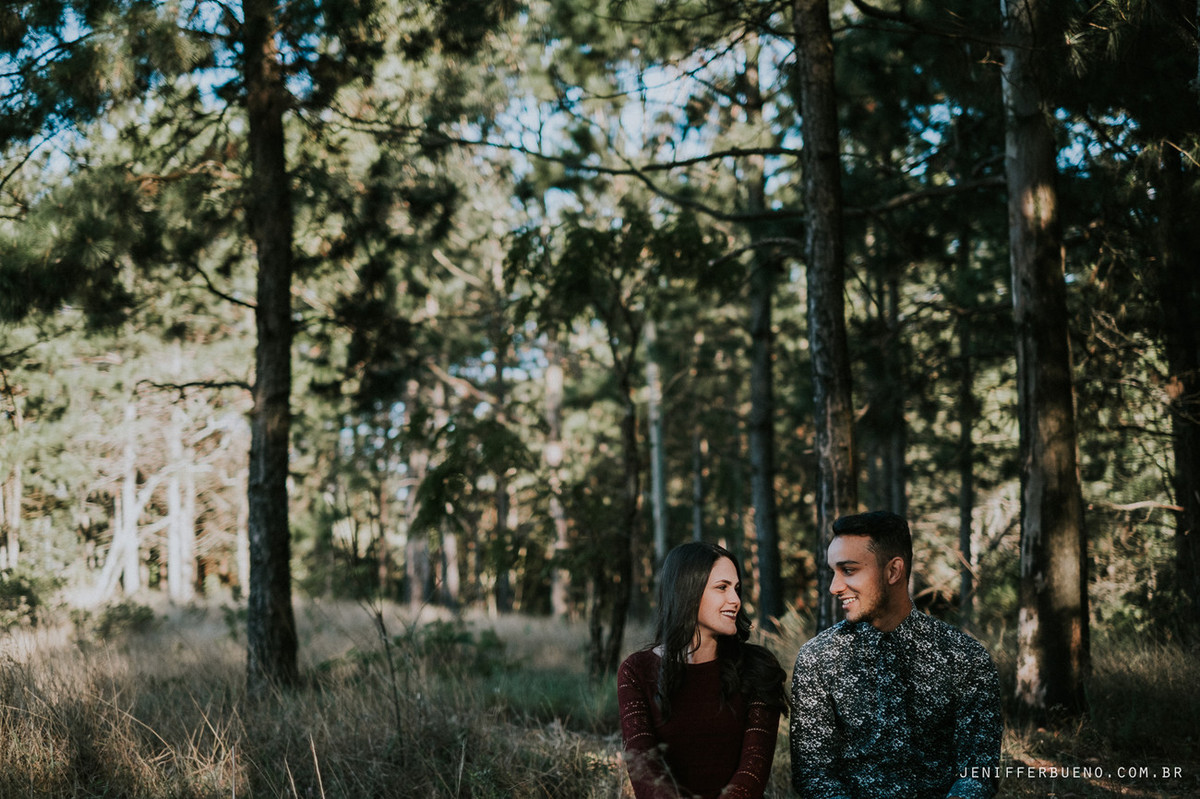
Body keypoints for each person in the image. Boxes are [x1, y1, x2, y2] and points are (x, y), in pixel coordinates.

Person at [790, 510, 1002, 799]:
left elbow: (978, 771)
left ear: (893, 570)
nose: (834, 587)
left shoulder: (965, 658)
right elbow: (814, 775)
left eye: (848, 570)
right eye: (833, 572)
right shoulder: (818, 658)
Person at [619, 541, 789, 799]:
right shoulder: (636, 671)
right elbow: (645, 769)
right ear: (688, 590)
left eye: (737, 589)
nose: (735, 600)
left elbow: (753, 772)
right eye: (722, 588)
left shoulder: (759, 668)